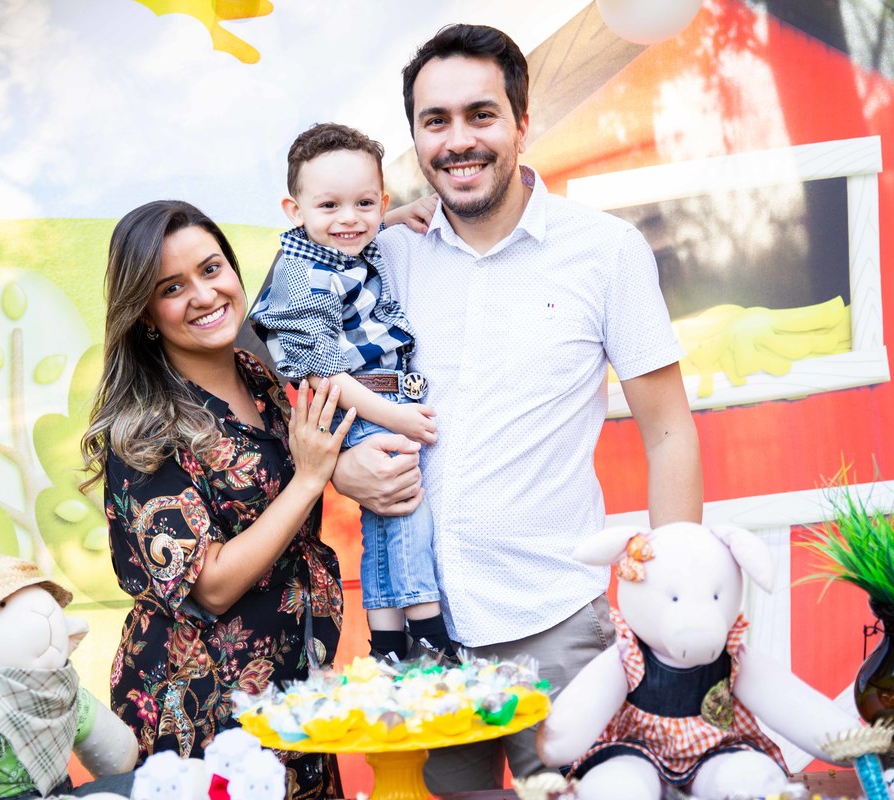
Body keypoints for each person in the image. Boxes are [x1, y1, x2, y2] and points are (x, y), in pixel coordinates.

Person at [328, 24, 704, 792]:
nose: (458, 141)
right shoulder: (382, 258)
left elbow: (669, 431)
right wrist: (340, 466)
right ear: (415, 138)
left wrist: (675, 603)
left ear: (522, 123)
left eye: (481, 115)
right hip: (426, 644)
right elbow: (293, 371)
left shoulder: (606, 251)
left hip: (558, 626)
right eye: (435, 121)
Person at [80, 200, 353, 799]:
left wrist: (402, 215)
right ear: (146, 314)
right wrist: (308, 480)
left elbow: (320, 246)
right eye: (172, 288)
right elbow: (212, 585)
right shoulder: (145, 428)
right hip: (200, 709)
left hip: (292, 691)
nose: (204, 295)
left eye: (211, 269)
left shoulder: (260, 376)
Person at [249, 122, 457, 664]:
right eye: (329, 206)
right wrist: (398, 417)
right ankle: (429, 632)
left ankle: (386, 641)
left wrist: (393, 218)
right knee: (408, 509)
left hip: (378, 397)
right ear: (295, 211)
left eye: (365, 203)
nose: (349, 219)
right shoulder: (302, 276)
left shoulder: (343, 245)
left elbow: (353, 227)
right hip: (358, 401)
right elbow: (324, 375)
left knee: (382, 520)